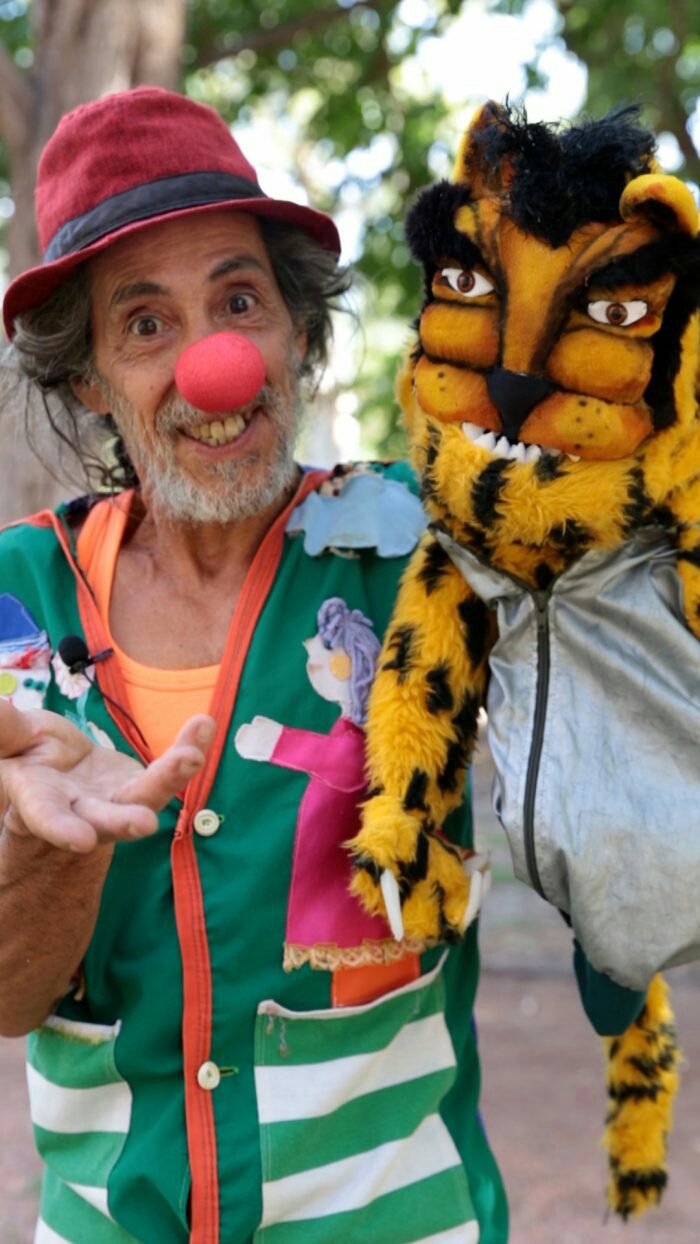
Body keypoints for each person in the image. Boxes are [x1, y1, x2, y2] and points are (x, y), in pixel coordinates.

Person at [0, 88, 508, 1244]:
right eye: (145, 323)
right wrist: (52, 850)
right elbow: (8, 995)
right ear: (89, 380)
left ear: (296, 330)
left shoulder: (428, 540)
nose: (214, 364)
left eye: (239, 302)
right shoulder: (17, 600)